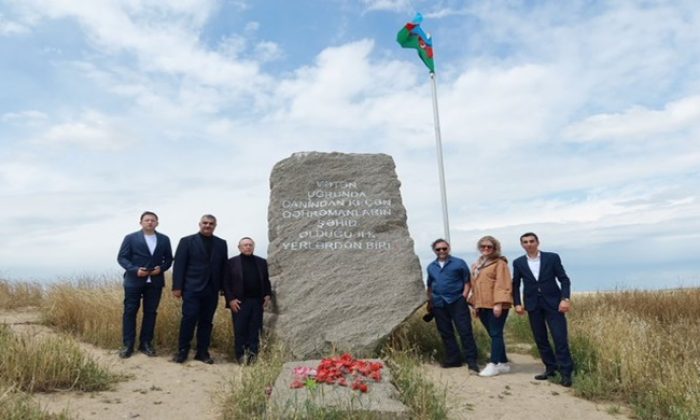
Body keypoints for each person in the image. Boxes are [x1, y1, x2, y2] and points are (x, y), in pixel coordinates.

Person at [512, 232, 574, 387]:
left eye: (531, 241)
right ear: (522, 245)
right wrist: (517, 303)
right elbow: (515, 284)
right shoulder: (518, 262)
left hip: (554, 303)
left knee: (559, 338)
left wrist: (565, 299)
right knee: (541, 339)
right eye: (525, 242)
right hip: (533, 305)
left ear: (537, 242)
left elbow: (564, 279)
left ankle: (566, 373)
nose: (529, 244)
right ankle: (550, 368)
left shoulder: (552, 258)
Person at [172, 214, 228, 364]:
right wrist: (177, 287)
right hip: (192, 288)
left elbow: (223, 267)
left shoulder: (221, 243)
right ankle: (183, 351)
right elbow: (179, 265)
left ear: (215, 226)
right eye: (205, 223)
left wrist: (223, 288)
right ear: (199, 224)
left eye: (211, 223)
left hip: (212, 289)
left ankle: (202, 352)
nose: (208, 225)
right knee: (189, 319)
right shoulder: (186, 241)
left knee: (206, 321)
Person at [117, 211, 173, 358]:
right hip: (134, 281)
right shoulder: (130, 238)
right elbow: (122, 258)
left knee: (150, 313)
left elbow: (168, 259)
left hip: (155, 282)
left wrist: (160, 269)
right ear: (141, 222)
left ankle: (145, 344)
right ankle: (128, 345)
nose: (150, 222)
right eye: (147, 220)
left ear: (157, 223)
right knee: (130, 312)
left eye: (153, 220)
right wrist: (135, 270)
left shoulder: (164, 239)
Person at [426, 239, 479, 372]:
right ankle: (454, 359)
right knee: (446, 333)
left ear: (448, 248)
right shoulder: (431, 267)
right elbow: (430, 286)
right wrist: (430, 302)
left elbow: (467, 282)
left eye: (444, 248)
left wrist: (463, 297)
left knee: (465, 331)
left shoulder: (459, 263)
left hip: (457, 301)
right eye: (438, 249)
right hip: (439, 303)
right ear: (434, 251)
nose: (442, 251)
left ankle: (472, 361)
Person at [222, 237, 272, 364]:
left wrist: (267, 294)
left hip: (257, 301)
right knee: (240, 330)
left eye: (250, 245)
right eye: (245, 245)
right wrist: (231, 300)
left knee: (255, 330)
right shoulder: (231, 262)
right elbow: (225, 283)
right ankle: (241, 356)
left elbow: (266, 280)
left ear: (253, 247)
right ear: (239, 247)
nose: (248, 247)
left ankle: (253, 357)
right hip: (239, 302)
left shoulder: (261, 262)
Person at [469, 236, 513, 377]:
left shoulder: (500, 263)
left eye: (489, 246)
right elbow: (475, 285)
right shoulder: (478, 264)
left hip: (495, 304)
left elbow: (503, 283)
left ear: (495, 248)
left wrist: (498, 303)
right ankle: (503, 362)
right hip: (482, 304)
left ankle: (493, 364)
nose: (486, 249)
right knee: (494, 333)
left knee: (495, 333)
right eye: (483, 246)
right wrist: (475, 304)